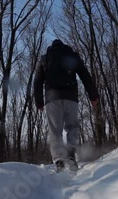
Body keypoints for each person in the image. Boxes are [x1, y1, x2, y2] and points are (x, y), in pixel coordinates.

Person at [33, 39, 99, 172]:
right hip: (71, 97)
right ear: (64, 46)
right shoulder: (72, 56)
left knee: (55, 130)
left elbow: (37, 81)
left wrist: (39, 102)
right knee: (72, 126)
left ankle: (58, 160)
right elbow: (85, 75)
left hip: (52, 99)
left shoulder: (44, 59)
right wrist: (93, 96)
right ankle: (70, 155)